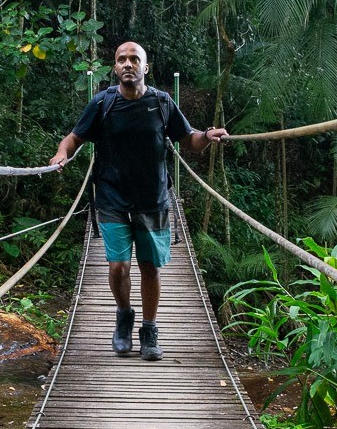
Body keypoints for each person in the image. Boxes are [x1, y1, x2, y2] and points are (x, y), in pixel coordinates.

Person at [50, 41, 228, 361]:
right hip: (112, 198)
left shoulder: (161, 102)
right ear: (115, 68)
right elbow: (75, 138)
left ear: (145, 67)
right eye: (122, 59)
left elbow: (189, 139)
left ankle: (149, 329)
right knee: (118, 266)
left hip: (152, 200)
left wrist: (207, 135)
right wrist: (62, 153)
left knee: (149, 267)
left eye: (135, 59)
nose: (128, 64)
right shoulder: (102, 103)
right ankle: (123, 317)